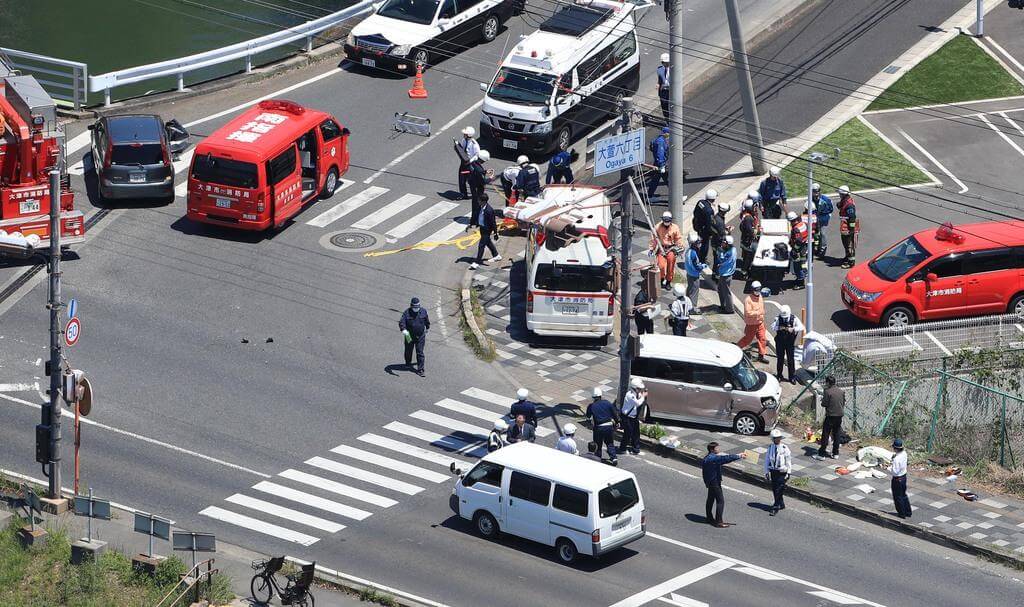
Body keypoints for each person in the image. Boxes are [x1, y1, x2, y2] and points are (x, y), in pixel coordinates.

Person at [702, 442, 747, 527]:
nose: (719, 449)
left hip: (710, 481)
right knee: (720, 501)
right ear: (712, 449)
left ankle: (709, 518)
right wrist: (739, 455)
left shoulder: (707, 457)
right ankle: (719, 522)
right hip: (714, 482)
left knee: (710, 499)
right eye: (717, 448)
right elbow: (726, 458)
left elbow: (704, 472)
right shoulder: (713, 458)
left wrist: (706, 482)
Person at [649, 211, 683, 288]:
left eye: (668, 220)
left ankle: (668, 281)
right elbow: (654, 238)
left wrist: (680, 247)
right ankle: (661, 279)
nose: (666, 222)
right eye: (665, 220)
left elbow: (678, 239)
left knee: (670, 266)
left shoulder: (675, 227)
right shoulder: (658, 227)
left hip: (671, 249)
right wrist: (651, 248)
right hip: (662, 248)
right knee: (660, 266)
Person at [586, 387, 619, 465]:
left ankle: (598, 459)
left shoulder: (591, 406)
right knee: (610, 443)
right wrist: (617, 422)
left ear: (593, 397)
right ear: (601, 395)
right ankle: (613, 458)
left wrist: (590, 424)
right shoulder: (607, 403)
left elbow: (588, 417)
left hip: (598, 427)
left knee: (598, 444)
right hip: (609, 426)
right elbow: (614, 414)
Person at [771, 305, 804, 383]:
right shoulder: (778, 318)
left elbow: (801, 327)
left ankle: (791, 377)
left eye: (786, 317)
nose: (785, 319)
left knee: (790, 360)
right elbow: (773, 327)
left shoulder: (794, 318)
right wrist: (779, 328)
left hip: (790, 343)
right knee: (780, 359)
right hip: (780, 342)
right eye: (784, 317)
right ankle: (779, 375)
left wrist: (793, 329)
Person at [737, 281, 768, 363]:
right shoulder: (748, 300)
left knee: (763, 339)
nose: (758, 292)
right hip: (752, 324)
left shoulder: (760, 296)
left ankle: (761, 356)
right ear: (752, 290)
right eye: (756, 290)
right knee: (748, 339)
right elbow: (748, 313)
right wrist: (759, 312)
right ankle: (737, 347)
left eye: (759, 290)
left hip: (760, 322)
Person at [468, 194, 501, 270]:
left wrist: (496, 233)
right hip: (482, 228)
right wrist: (471, 224)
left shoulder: (489, 210)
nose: (478, 201)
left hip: (487, 230)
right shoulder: (481, 207)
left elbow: (493, 222)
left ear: (483, 201)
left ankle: (477, 262)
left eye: (479, 200)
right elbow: (476, 216)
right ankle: (496, 255)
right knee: (488, 242)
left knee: (481, 246)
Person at [399, 297, 430, 376]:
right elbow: (402, 322)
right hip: (409, 335)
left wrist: (427, 327)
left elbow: (426, 320)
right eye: (414, 307)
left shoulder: (423, 311)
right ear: (411, 306)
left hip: (420, 336)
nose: (416, 309)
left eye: (417, 307)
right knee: (408, 350)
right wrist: (404, 330)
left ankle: (420, 370)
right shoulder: (407, 313)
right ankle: (408, 363)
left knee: (420, 352)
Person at [816, 375, 845, 460]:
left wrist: (822, 399)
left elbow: (824, 404)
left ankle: (822, 453)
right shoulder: (841, 391)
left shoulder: (827, 391)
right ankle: (835, 453)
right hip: (839, 415)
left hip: (830, 415)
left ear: (828, 383)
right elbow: (843, 403)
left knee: (825, 433)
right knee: (836, 433)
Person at [764, 428, 792, 516]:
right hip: (773, 471)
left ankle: (776, 506)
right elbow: (767, 460)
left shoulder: (784, 448)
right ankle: (781, 503)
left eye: (779, 437)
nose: (778, 439)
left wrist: (788, 472)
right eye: (776, 438)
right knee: (774, 488)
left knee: (779, 489)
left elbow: (788, 461)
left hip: (782, 472)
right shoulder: (770, 448)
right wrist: (766, 471)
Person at [619, 377, 646, 455]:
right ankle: (622, 448)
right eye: (639, 388)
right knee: (627, 434)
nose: (640, 390)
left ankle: (636, 450)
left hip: (633, 417)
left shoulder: (636, 393)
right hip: (627, 418)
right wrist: (643, 396)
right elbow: (637, 403)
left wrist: (642, 395)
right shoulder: (630, 395)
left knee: (636, 433)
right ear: (635, 388)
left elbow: (640, 397)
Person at [466, 149, 493, 229]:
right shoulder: (479, 170)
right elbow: (483, 181)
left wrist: (485, 172)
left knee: (475, 203)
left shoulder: (473, 163)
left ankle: (474, 220)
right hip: (478, 188)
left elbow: (476, 173)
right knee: (477, 205)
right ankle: (475, 221)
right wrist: (490, 178)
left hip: (473, 185)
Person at [888, 438, 913, 519]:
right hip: (903, 477)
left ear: (895, 448)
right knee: (904, 495)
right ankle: (908, 512)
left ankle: (901, 513)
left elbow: (895, 472)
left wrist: (889, 468)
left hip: (897, 479)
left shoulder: (896, 459)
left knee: (897, 497)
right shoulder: (904, 454)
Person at [684, 232, 707, 314]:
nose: (699, 244)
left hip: (689, 273)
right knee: (694, 291)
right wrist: (703, 266)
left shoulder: (688, 251)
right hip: (694, 275)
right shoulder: (693, 254)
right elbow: (696, 266)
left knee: (690, 289)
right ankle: (692, 308)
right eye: (697, 242)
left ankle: (687, 305)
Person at [454, 126, 480, 199]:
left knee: (471, 180)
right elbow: (462, 149)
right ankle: (463, 194)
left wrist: (470, 161)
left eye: (465, 134)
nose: (464, 135)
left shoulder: (474, 144)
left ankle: (475, 194)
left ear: (469, 135)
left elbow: (476, 155)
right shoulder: (464, 140)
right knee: (461, 179)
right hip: (463, 162)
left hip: (470, 164)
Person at [738, 197, 760, 278]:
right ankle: (744, 273)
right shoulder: (748, 218)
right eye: (754, 206)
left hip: (746, 240)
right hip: (747, 242)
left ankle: (746, 270)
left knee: (747, 258)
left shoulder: (747, 216)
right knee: (748, 259)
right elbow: (751, 231)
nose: (755, 208)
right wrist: (757, 231)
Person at [692, 189, 716, 263]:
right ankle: (702, 259)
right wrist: (711, 233)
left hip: (697, 225)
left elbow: (695, 212)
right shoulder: (709, 210)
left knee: (699, 241)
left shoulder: (700, 202)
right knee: (705, 245)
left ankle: (697, 253)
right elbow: (709, 224)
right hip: (704, 230)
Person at [837, 185, 858, 268]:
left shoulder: (849, 205)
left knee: (849, 244)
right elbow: (840, 205)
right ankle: (847, 257)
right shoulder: (845, 200)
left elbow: (852, 218)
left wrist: (851, 230)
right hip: (844, 225)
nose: (839, 195)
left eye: (840, 194)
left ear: (843, 194)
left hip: (848, 228)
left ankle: (851, 262)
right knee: (845, 243)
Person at [715, 236, 737, 314]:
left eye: (724, 242)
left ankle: (730, 309)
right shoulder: (733, 249)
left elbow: (721, 260)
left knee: (726, 292)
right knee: (720, 290)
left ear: (727, 244)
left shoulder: (728, 253)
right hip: (724, 274)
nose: (722, 243)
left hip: (726, 275)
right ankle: (723, 305)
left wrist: (720, 252)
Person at [810, 183, 833, 257]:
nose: (816, 193)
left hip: (823, 219)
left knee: (823, 234)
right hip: (814, 220)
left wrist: (827, 216)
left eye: (817, 191)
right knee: (815, 234)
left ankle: (823, 248)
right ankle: (815, 248)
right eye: (814, 191)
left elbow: (830, 209)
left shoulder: (825, 200)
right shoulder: (810, 200)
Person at [787, 210, 808, 290]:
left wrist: (794, 250)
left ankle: (800, 283)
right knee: (801, 264)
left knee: (797, 266)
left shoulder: (795, 229)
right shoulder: (803, 224)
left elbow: (798, 240)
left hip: (799, 249)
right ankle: (800, 278)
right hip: (804, 247)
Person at [647, 127, 670, 199]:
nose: (669, 135)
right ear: (665, 133)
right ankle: (676, 195)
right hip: (660, 164)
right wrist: (662, 165)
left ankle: (650, 195)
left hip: (659, 164)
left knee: (656, 180)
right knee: (667, 180)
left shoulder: (658, 140)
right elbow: (660, 154)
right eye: (668, 133)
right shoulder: (660, 142)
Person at [657, 53, 671, 121]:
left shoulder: (673, 70)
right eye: (663, 62)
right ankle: (667, 121)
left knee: (671, 107)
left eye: (665, 62)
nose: (664, 64)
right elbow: (660, 80)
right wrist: (658, 84)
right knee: (664, 108)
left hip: (671, 91)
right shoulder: (659, 70)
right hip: (663, 92)